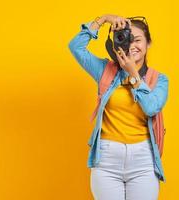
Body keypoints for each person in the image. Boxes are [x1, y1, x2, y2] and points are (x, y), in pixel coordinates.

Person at [68, 14, 169, 200]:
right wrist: (103, 19)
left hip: (143, 160)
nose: (132, 45)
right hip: (107, 159)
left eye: (137, 40)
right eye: (126, 39)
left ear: (148, 44)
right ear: (115, 43)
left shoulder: (159, 79)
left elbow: (151, 108)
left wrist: (133, 75)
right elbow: (75, 47)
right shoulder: (105, 70)